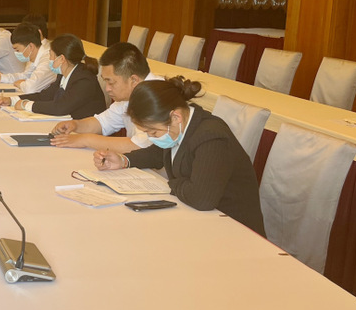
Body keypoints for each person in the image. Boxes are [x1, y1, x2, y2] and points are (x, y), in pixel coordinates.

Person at [94, 77, 265, 234]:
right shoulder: (183, 125)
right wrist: (123, 160)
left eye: (153, 132)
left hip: (234, 229)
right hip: (202, 219)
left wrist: (172, 183)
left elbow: (201, 199)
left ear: (175, 117)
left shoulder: (210, 136)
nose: (151, 138)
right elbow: (157, 152)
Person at [49, 41, 163, 152]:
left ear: (133, 80)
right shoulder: (129, 95)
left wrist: (85, 139)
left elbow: (138, 146)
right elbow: (103, 123)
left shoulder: (158, 97)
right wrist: (75, 125)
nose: (107, 88)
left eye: (111, 82)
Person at [0, 34, 106, 118]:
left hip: (86, 133)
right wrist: (12, 100)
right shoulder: (63, 75)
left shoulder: (84, 79)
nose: (50, 59)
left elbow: (60, 107)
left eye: (51, 56)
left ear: (61, 59)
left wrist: (27, 105)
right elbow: (45, 96)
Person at [0, 22, 55, 94]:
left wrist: (20, 83)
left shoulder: (47, 59)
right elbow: (25, 76)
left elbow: (30, 88)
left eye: (17, 50)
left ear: (30, 46)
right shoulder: (34, 56)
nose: (16, 53)